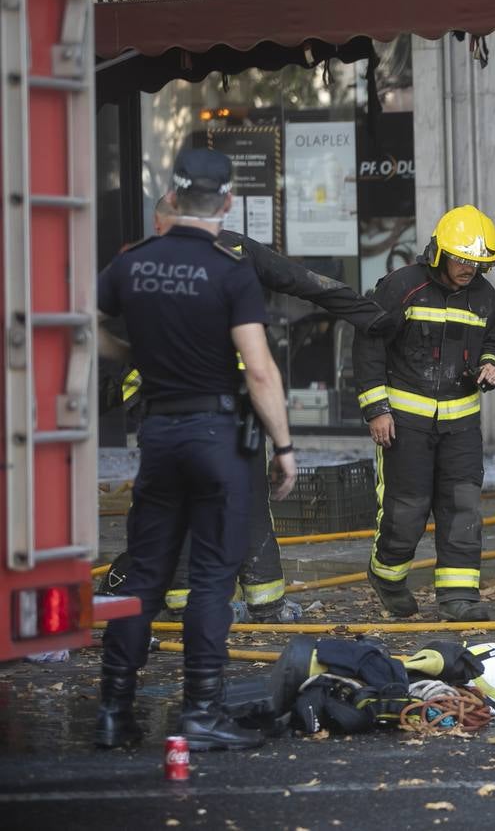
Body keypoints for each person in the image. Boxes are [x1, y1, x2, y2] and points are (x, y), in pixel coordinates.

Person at [94, 149, 297, 752]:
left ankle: (113, 711)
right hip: (217, 439)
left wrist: (134, 356)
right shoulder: (230, 269)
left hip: (157, 436)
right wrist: (284, 446)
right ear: (228, 203)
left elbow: (89, 324)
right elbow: (259, 371)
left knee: (146, 576)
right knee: (210, 580)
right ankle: (203, 714)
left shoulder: (133, 263)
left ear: (174, 198)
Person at [108, 194, 393, 623]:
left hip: (169, 412)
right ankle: (265, 602)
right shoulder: (234, 254)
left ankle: (195, 603)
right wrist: (371, 316)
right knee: (246, 498)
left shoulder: (143, 263)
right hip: (229, 410)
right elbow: (306, 284)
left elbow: (95, 325)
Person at [353, 205, 495, 622]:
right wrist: (377, 410)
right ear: (439, 252)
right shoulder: (401, 287)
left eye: (477, 262)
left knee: (463, 507)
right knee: (407, 510)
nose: (468, 269)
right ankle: (387, 575)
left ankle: (459, 597)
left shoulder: (485, 296)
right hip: (404, 424)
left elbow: (493, 341)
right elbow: (368, 349)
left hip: (462, 424)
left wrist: (492, 364)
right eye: (461, 259)